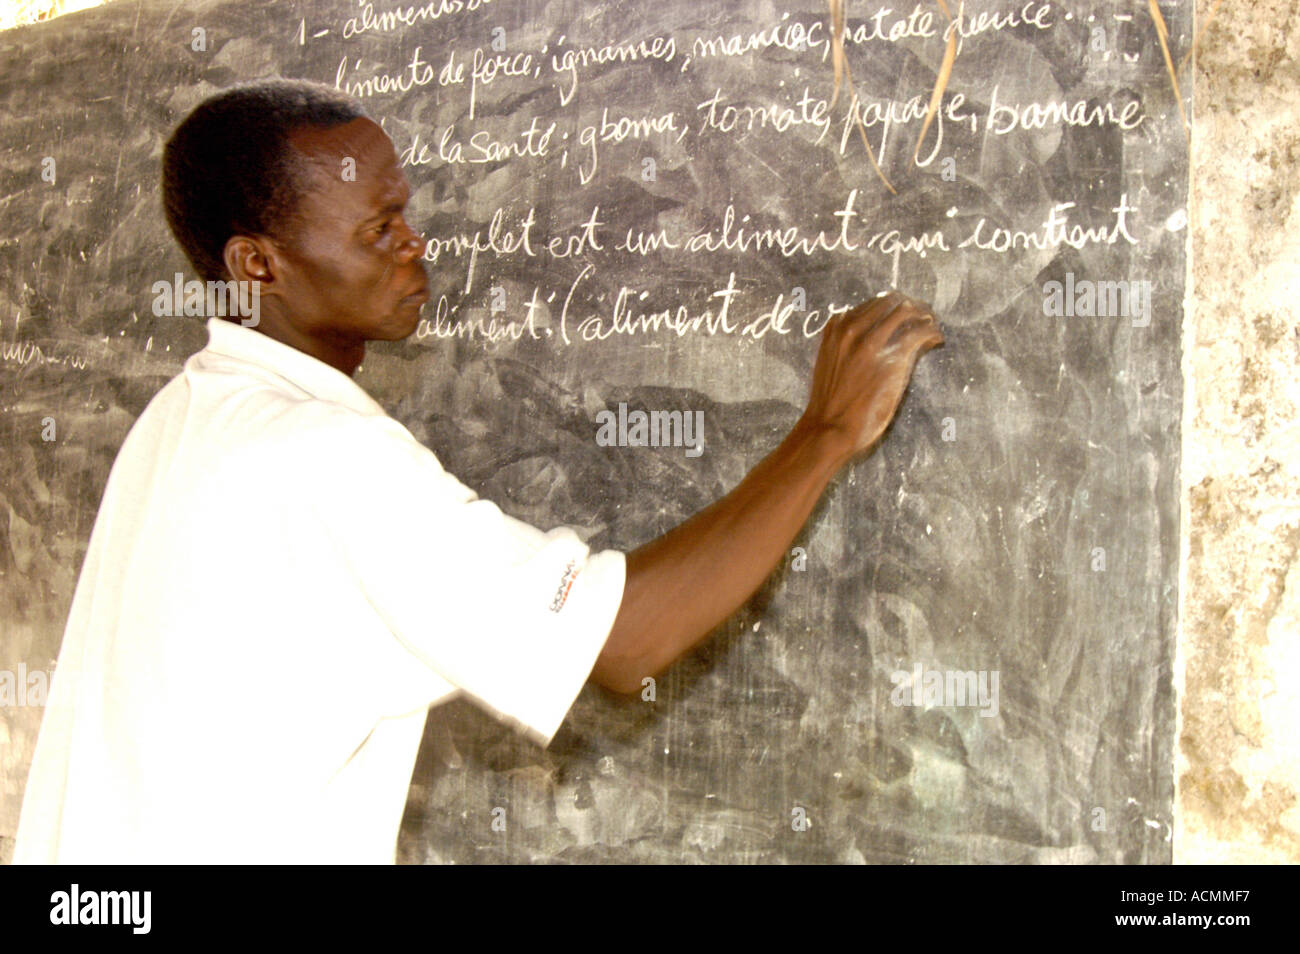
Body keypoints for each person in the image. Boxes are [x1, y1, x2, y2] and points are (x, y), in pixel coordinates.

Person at [13, 79, 943, 863]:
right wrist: (823, 432)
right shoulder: (321, 454)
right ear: (258, 263)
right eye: (378, 229)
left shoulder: (182, 417)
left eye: (404, 213)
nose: (414, 242)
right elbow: (623, 643)